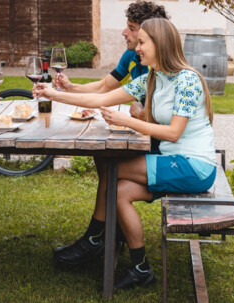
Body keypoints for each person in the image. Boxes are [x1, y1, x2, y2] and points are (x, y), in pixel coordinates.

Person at [34, 18, 217, 291]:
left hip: (194, 167)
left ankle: (96, 237)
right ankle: (141, 268)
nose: (137, 48)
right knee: (119, 192)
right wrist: (55, 94)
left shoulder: (187, 80)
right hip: (173, 162)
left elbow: (174, 133)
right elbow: (100, 99)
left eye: (142, 42)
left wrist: (129, 121)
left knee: (110, 167)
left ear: (161, 44)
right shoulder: (153, 78)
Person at [50, 0, 168, 266]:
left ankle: (97, 237)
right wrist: (71, 88)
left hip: (161, 147)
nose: (125, 33)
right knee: (104, 157)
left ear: (150, 34)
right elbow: (105, 86)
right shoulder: (131, 58)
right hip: (146, 137)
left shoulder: (161, 67)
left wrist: (136, 114)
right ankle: (102, 235)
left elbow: (157, 118)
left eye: (131, 28)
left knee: (108, 161)